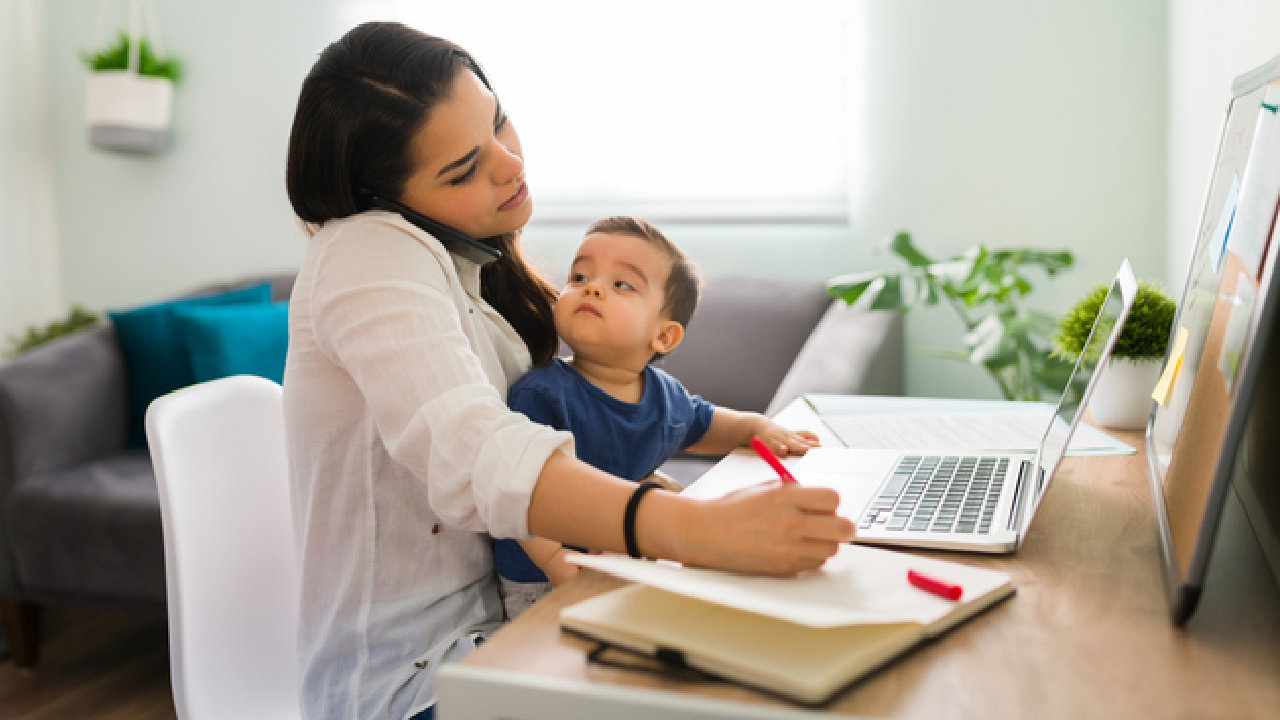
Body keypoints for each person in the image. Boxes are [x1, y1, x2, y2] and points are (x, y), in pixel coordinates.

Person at [283, 21, 853, 720]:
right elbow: (471, 450)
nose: (509, 164)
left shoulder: (469, 266)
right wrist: (690, 528)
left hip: (520, 625)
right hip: (414, 682)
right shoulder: (367, 252)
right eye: (463, 169)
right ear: (385, 197)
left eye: (499, 123)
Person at [493, 216, 821, 618]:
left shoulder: (664, 395)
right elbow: (520, 489)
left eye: (622, 285)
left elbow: (706, 425)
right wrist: (552, 558)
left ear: (663, 336)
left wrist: (757, 427)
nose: (591, 287)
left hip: (631, 552)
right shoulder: (542, 393)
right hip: (543, 574)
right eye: (579, 276)